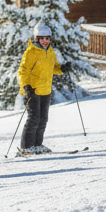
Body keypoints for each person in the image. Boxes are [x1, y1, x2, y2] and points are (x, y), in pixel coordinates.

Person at [17, 23, 63, 155]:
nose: (44, 41)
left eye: (47, 38)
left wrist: (62, 69)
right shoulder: (31, 52)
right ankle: (26, 147)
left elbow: (53, 67)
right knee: (33, 119)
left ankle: (37, 145)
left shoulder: (50, 51)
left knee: (43, 119)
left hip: (45, 90)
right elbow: (22, 71)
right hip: (33, 90)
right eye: (41, 38)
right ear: (36, 38)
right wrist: (26, 86)